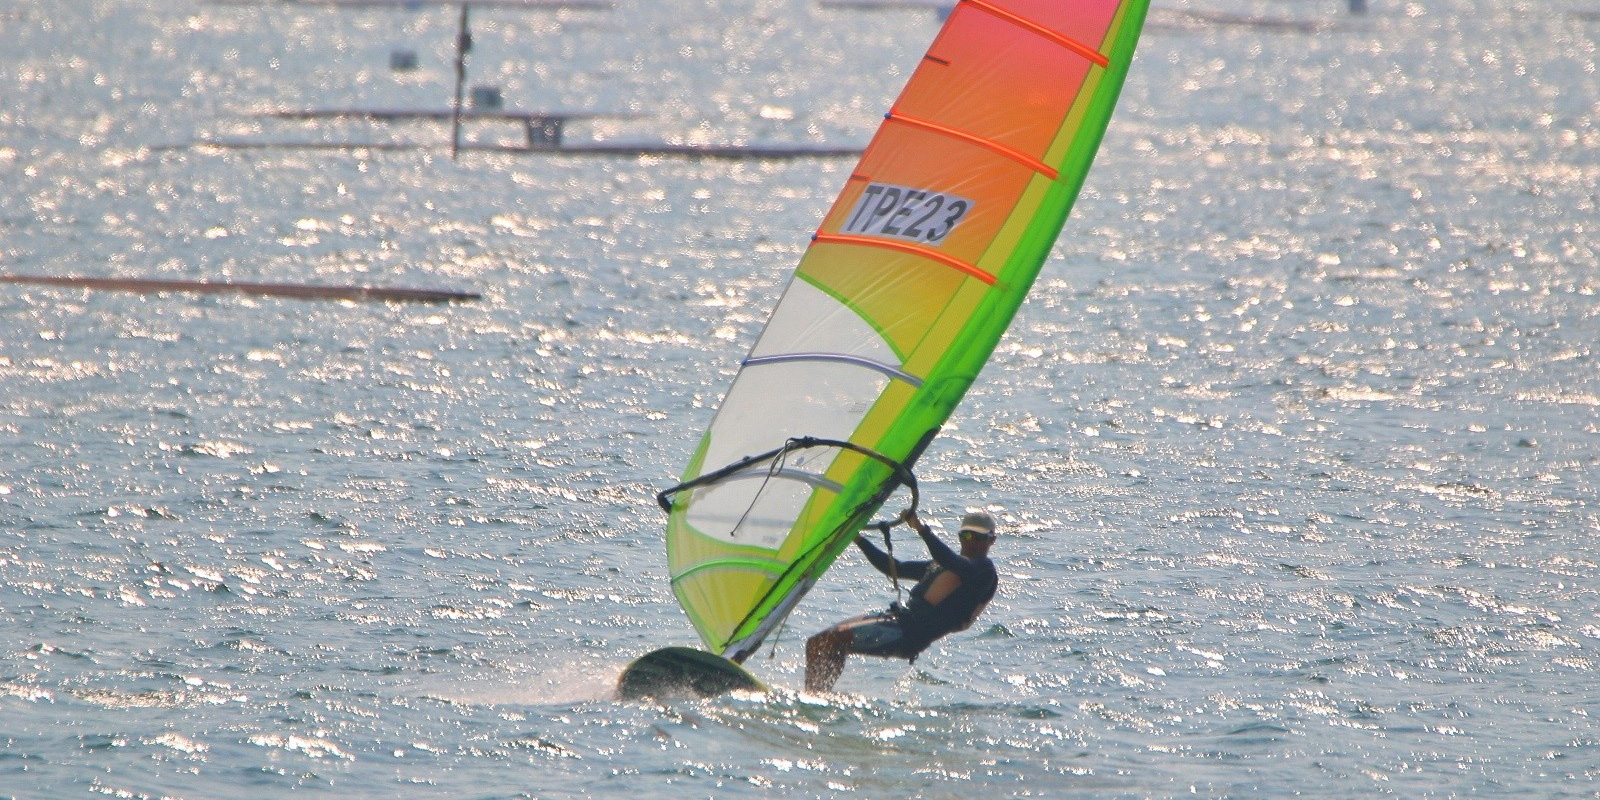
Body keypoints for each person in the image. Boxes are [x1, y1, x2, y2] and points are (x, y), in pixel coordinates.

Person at [803, 509, 999, 692]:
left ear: (991, 540)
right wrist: (858, 539)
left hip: (910, 634)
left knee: (831, 640)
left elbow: (955, 563)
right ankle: (815, 694)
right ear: (960, 536)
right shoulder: (941, 565)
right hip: (898, 619)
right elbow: (895, 568)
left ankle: (816, 698)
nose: (971, 542)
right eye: (966, 535)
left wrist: (922, 529)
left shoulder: (983, 571)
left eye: (979, 537)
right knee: (818, 643)